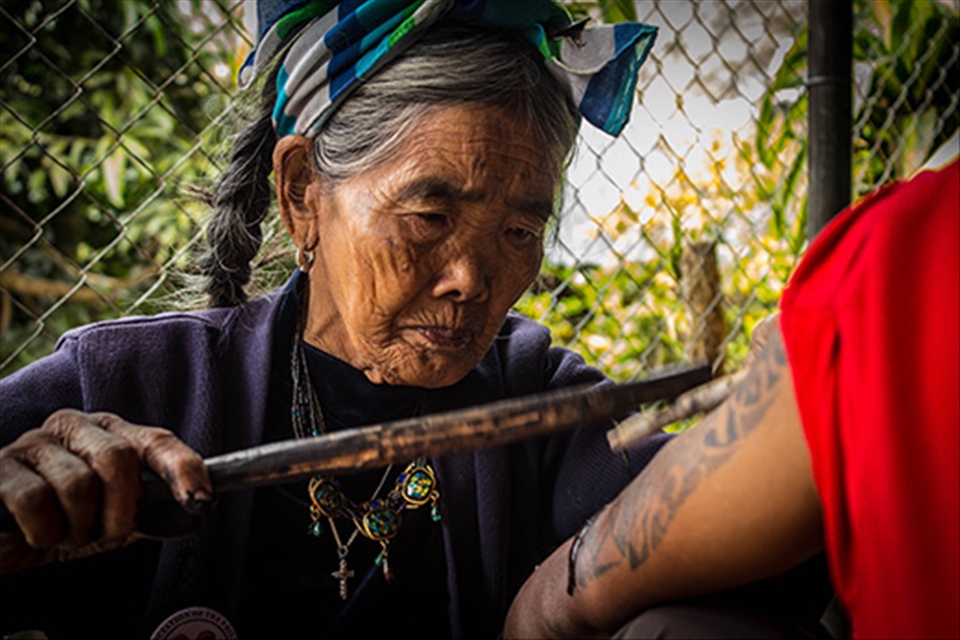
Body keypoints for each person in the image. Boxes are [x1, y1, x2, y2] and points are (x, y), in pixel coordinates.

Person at [0, 1, 675, 638]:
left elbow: (707, 508)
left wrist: (555, 597)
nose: (470, 278)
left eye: (520, 232)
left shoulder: (540, 405)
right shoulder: (132, 385)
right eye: (429, 219)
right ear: (301, 193)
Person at [504, 157, 959, 639]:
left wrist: (541, 607)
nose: (467, 279)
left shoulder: (907, 254)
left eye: (520, 231)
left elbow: (748, 486)